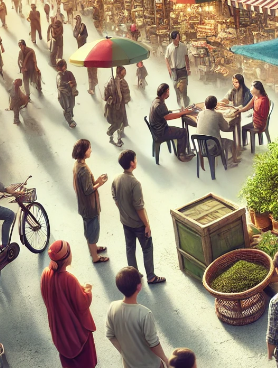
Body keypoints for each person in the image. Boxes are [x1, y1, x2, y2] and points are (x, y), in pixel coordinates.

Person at [107, 267, 170, 368]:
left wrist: (124, 351)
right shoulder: (144, 314)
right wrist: (166, 359)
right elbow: (153, 343)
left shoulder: (112, 308)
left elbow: (110, 335)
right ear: (139, 286)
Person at [40, 240, 105, 368]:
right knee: (84, 343)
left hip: (57, 320)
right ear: (67, 257)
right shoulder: (69, 279)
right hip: (72, 323)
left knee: (62, 342)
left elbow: (48, 294)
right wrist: (87, 291)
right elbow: (82, 304)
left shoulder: (46, 273)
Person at [112, 150, 165, 285]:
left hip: (125, 222)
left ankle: (133, 275)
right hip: (138, 224)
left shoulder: (116, 179)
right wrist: (146, 224)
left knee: (130, 247)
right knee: (147, 248)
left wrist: (124, 212)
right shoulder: (135, 183)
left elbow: (116, 199)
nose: (136, 161)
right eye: (135, 159)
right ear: (132, 163)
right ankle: (151, 277)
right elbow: (139, 207)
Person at [72, 139, 108, 264]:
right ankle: (95, 257)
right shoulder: (84, 170)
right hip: (90, 207)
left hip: (83, 206)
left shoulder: (78, 165)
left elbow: (84, 185)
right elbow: (88, 190)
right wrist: (100, 184)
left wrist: (96, 180)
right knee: (93, 230)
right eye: (89, 148)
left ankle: (93, 249)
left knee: (88, 230)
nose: (91, 150)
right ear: (83, 151)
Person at [149, 84, 195, 162]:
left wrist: (179, 111)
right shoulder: (159, 105)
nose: (169, 93)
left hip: (157, 130)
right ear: (165, 92)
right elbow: (168, 117)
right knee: (183, 132)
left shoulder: (157, 100)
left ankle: (182, 150)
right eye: (168, 91)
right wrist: (182, 113)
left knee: (180, 130)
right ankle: (182, 155)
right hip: (161, 132)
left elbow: (165, 113)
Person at [195, 95, 240, 167]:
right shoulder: (218, 115)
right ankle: (230, 162)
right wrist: (231, 124)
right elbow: (225, 128)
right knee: (231, 143)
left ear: (205, 104)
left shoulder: (200, 114)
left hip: (201, 145)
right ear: (215, 105)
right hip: (213, 147)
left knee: (214, 138)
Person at [104, 66, 131, 147]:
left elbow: (126, 94)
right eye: (123, 72)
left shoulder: (120, 81)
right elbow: (106, 94)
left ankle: (118, 139)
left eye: (125, 72)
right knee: (118, 122)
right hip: (115, 106)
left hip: (120, 105)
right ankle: (110, 132)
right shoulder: (112, 81)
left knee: (121, 122)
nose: (124, 73)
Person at [240, 80, 271, 146]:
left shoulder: (264, 100)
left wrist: (253, 115)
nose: (251, 89)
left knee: (243, 128)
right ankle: (245, 145)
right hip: (255, 121)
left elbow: (263, 115)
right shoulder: (255, 97)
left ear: (258, 89)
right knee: (243, 126)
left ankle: (248, 146)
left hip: (259, 124)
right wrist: (240, 110)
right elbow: (248, 106)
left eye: (252, 87)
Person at [164, 31, 190, 108]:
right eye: (177, 36)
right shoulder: (169, 47)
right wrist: (169, 69)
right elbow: (166, 58)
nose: (179, 38)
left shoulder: (183, 46)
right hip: (174, 72)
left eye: (179, 36)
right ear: (174, 38)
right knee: (177, 90)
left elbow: (186, 57)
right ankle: (180, 106)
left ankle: (186, 106)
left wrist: (188, 68)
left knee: (184, 90)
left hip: (182, 70)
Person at [55, 59, 77, 128]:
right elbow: (60, 86)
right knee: (66, 107)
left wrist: (72, 86)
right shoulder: (59, 75)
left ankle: (70, 117)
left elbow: (74, 82)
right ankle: (70, 121)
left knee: (71, 105)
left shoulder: (69, 73)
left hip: (70, 93)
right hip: (63, 95)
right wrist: (68, 85)